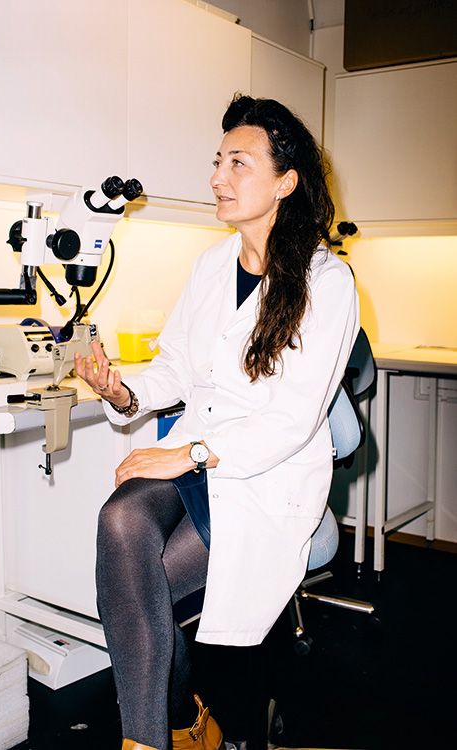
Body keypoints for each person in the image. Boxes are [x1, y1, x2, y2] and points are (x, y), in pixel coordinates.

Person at [74, 93, 359, 750]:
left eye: (238, 162)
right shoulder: (210, 265)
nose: (216, 177)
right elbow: (175, 368)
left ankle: (171, 725)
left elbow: (289, 422)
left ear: (287, 181)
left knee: (135, 595)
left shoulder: (328, 280)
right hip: (196, 456)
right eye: (216, 160)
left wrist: (190, 453)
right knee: (121, 524)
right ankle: (161, 734)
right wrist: (122, 390)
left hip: (264, 476)